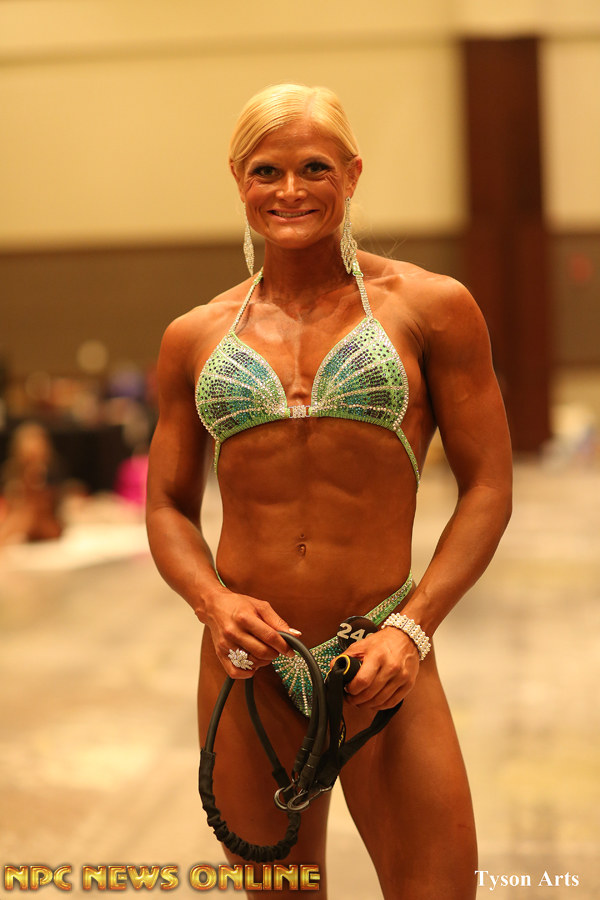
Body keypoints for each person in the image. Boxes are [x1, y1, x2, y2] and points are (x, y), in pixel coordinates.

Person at [146, 83, 512, 899]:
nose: (290, 191)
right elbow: (166, 504)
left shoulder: (432, 308)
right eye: (266, 171)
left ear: (351, 174)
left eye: (314, 168)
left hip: (381, 657)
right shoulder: (194, 335)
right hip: (251, 665)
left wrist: (412, 629)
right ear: (238, 179)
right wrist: (212, 601)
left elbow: (489, 486)